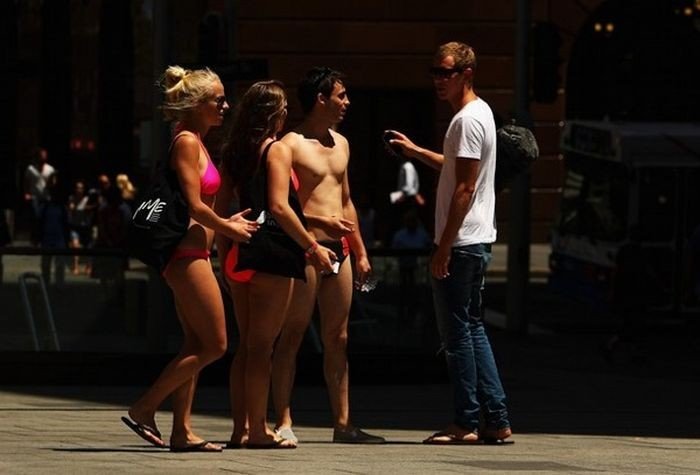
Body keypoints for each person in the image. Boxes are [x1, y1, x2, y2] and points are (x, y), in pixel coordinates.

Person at [121, 65, 257, 452]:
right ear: (197, 105)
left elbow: (202, 206)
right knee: (215, 344)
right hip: (186, 255)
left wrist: (225, 223)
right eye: (218, 100)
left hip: (195, 252)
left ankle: (182, 431)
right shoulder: (185, 142)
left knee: (194, 344)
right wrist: (229, 230)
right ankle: (144, 407)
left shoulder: (195, 140)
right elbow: (195, 206)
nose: (225, 106)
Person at [388, 42, 512, 444]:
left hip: (462, 243)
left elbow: (464, 187)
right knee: (472, 330)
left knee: (457, 337)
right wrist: (416, 151)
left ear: (467, 73)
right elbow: (456, 166)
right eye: (435, 72)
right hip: (474, 240)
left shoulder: (467, 121)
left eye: (446, 72)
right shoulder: (479, 115)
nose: (439, 80)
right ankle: (495, 418)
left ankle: (466, 421)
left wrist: (443, 245)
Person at [215, 80, 336, 449]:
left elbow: (221, 209)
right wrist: (313, 246)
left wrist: (223, 257)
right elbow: (280, 207)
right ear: (273, 114)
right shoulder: (277, 151)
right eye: (283, 109)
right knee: (262, 347)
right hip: (272, 254)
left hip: (239, 251)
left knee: (246, 346)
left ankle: (241, 428)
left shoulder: (234, 152)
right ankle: (256, 430)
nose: (286, 115)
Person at [270, 66, 386, 444]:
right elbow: (280, 207)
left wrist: (362, 251)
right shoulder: (288, 145)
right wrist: (318, 227)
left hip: (341, 250)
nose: (346, 102)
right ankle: (283, 419)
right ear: (320, 99)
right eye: (341, 95)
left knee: (339, 336)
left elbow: (347, 201)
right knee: (293, 334)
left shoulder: (342, 143)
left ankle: (343, 422)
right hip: (306, 248)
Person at [23, 147, 55, 245]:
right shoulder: (31, 169)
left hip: (46, 197)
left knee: (45, 218)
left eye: (44, 156)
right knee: (37, 216)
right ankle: (35, 238)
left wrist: (53, 182)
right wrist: (26, 193)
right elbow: (26, 182)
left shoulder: (50, 169)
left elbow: (53, 184)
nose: (43, 158)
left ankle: (42, 238)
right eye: (41, 156)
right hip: (34, 196)